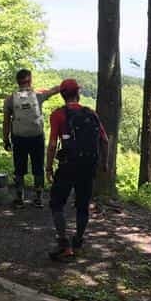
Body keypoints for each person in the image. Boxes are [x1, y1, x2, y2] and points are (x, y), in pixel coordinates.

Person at [46, 79, 108, 259]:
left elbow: (52, 145)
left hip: (67, 166)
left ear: (62, 95)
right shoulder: (91, 113)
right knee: (82, 206)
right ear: (78, 93)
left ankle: (64, 245)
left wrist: (48, 168)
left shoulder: (58, 115)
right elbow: (104, 140)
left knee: (57, 203)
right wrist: (104, 163)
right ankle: (78, 242)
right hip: (88, 166)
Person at [3, 69, 60, 208]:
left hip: (19, 137)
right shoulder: (38, 96)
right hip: (36, 137)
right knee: (38, 167)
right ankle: (38, 198)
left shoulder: (10, 99)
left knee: (19, 167)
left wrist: (6, 139)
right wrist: (66, 86)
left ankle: (19, 197)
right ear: (30, 81)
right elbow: (54, 90)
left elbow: (6, 122)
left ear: (18, 82)